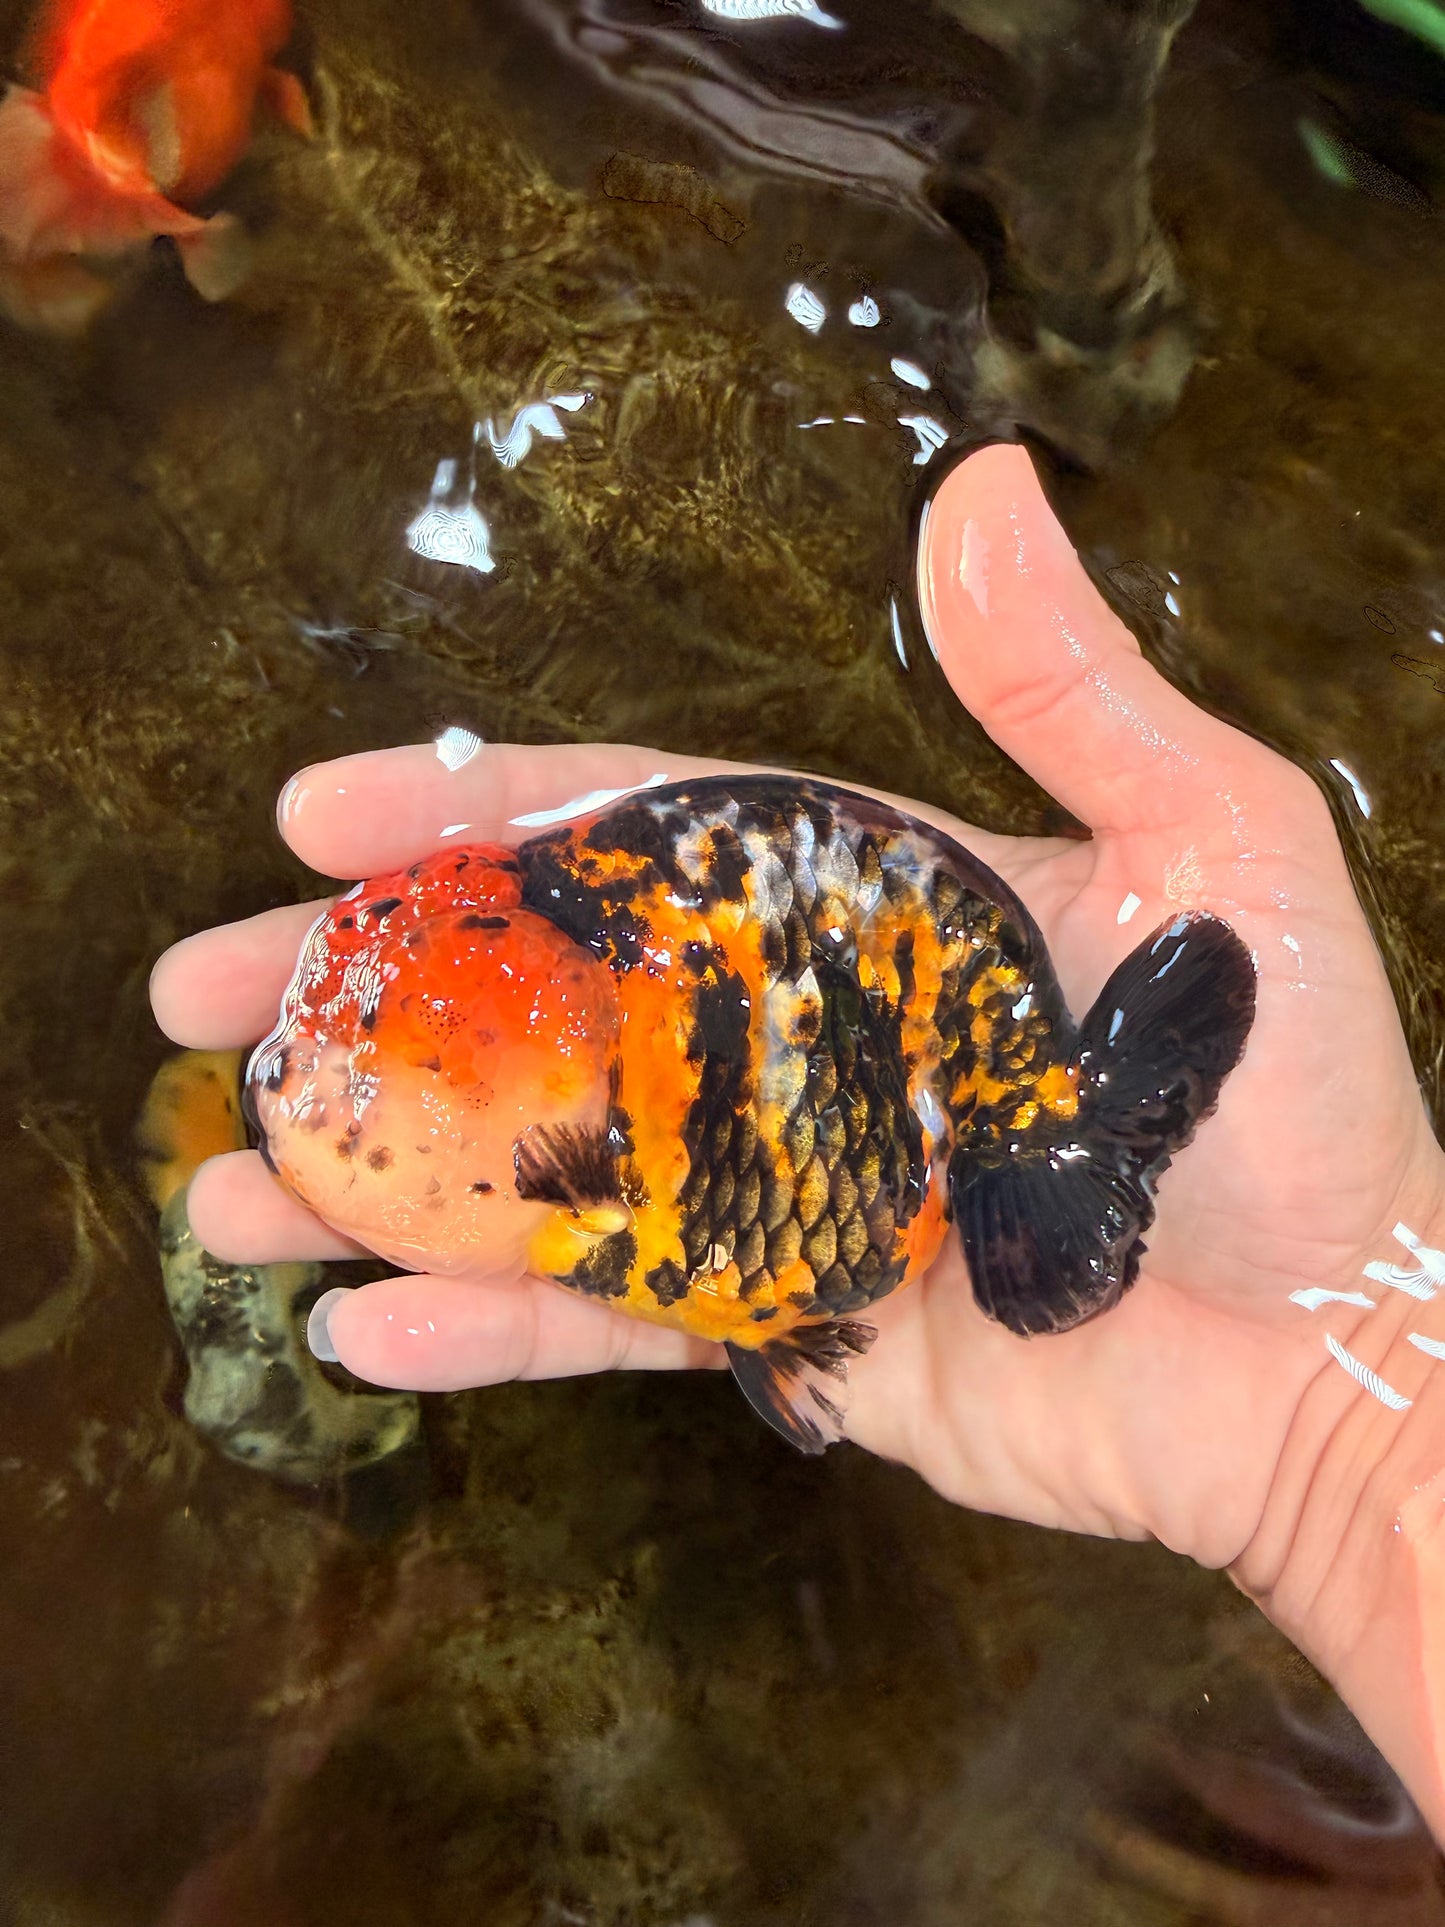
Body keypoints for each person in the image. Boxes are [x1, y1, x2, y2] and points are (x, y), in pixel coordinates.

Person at [150, 442, 1445, 1840]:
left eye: (351, 1078)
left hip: (884, 1117)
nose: (298, 1082)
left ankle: (1053, 1149)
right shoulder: (554, 1086)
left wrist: (1366, 1378)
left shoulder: (587, 1119)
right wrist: (1356, 1430)